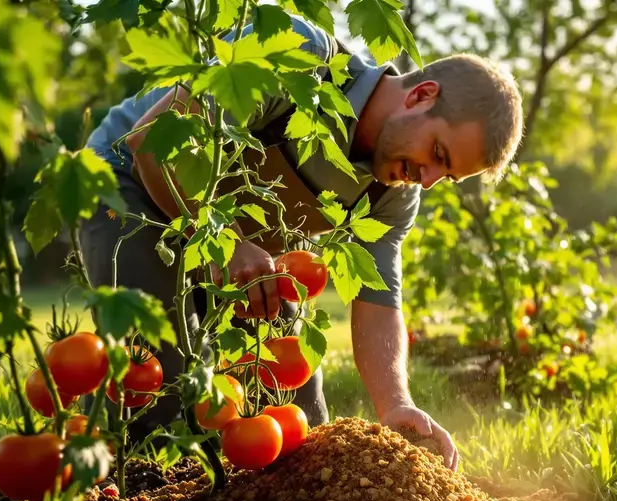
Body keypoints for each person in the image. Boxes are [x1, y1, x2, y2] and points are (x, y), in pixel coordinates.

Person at [79, 15, 525, 472]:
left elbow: (378, 298)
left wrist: (395, 404)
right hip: (126, 190)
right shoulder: (298, 56)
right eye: (438, 155)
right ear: (421, 95)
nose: (427, 181)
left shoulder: (394, 190)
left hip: (241, 248)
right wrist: (226, 243)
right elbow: (151, 143)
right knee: (162, 393)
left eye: (445, 175)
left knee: (300, 427)